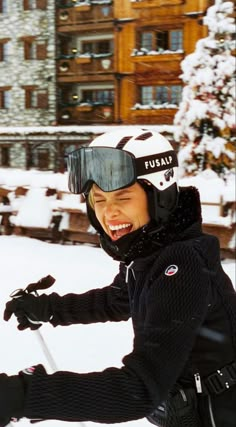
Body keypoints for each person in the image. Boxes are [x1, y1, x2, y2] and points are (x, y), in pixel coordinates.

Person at [1, 128, 236, 427]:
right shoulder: (150, 249)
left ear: (158, 197)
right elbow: (120, 298)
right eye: (98, 200)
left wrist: (20, 395)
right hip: (190, 410)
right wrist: (49, 308)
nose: (109, 213)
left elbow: (138, 390)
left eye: (122, 197)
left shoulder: (182, 264)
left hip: (218, 413)